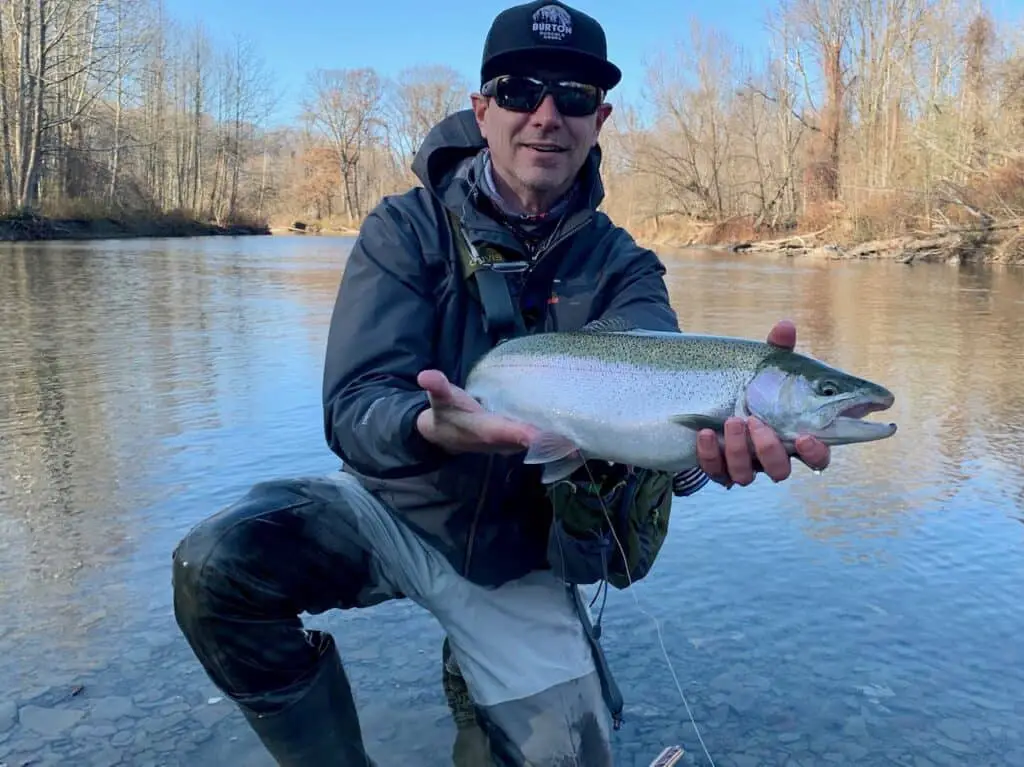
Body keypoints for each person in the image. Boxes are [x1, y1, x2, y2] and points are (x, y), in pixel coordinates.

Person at [170, 1, 831, 765]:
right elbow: (353, 408)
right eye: (521, 91)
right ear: (482, 110)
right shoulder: (403, 231)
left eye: (574, 97)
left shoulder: (627, 269)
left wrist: (698, 459)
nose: (547, 115)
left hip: (522, 556)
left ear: (601, 119)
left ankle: (479, 682)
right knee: (218, 566)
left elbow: (663, 386)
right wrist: (425, 425)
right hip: (394, 507)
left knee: (569, 757)